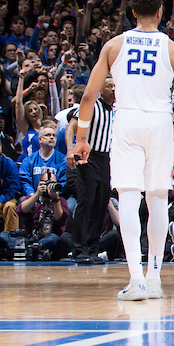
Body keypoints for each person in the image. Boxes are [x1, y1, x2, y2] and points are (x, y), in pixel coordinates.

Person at [74, 0, 174, 301]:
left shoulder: (114, 45)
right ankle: (154, 277)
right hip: (159, 122)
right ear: (160, 12)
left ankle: (136, 279)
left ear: (131, 13)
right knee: (156, 200)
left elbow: (88, 96)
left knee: (128, 199)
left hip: (125, 121)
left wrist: (82, 138)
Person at [69, 79, 114, 264]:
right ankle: (79, 250)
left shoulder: (116, 110)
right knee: (86, 202)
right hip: (89, 155)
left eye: (115, 87)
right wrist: (70, 149)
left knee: (101, 204)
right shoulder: (92, 106)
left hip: (106, 158)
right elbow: (71, 127)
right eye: (110, 87)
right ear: (101, 91)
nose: (114, 90)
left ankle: (92, 249)